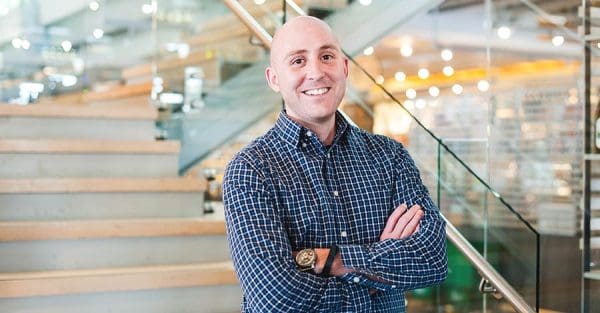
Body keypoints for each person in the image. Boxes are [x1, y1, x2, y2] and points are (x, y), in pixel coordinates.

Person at [223, 16, 447, 312]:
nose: (316, 72)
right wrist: (378, 276)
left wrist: (330, 260)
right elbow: (274, 299)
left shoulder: (390, 156)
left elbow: (432, 258)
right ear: (274, 79)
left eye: (326, 56)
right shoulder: (251, 169)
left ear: (344, 68)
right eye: (298, 61)